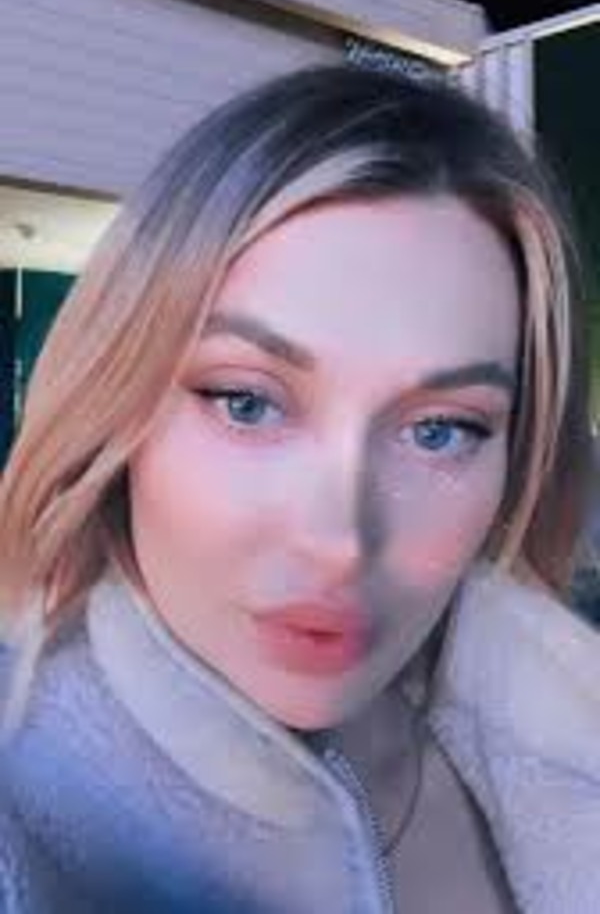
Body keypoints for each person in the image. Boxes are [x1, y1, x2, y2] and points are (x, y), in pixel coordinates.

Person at [0, 63, 597, 914]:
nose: (340, 539)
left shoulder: (563, 739)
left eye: (440, 430)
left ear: (518, 459)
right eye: (246, 403)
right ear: (115, 412)